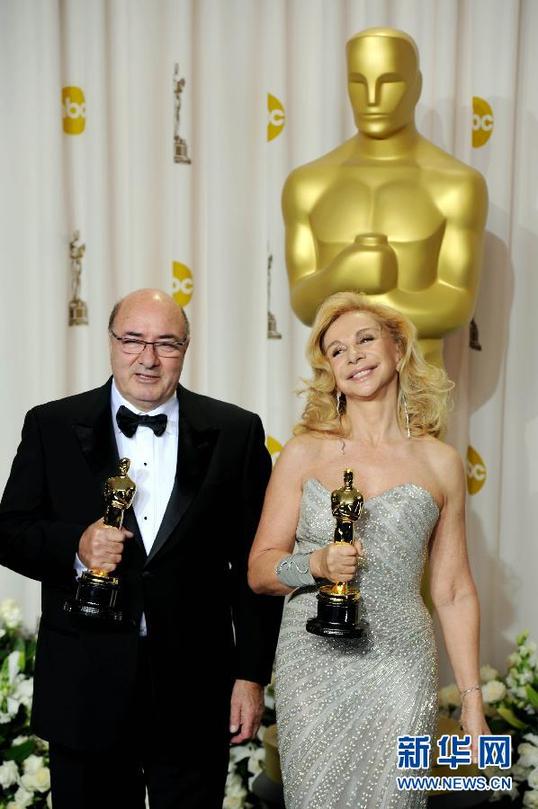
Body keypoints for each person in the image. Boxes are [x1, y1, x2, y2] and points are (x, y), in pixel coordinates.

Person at [0, 289, 282, 809]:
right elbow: (9, 530)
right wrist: (77, 546)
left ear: (185, 348)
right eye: (133, 340)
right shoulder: (51, 424)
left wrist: (250, 675)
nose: (148, 358)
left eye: (166, 343)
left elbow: (255, 564)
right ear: (111, 342)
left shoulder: (236, 432)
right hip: (86, 685)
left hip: (194, 689)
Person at [248, 291, 488, 808]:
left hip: (402, 665)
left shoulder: (442, 462)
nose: (353, 355)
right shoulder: (303, 454)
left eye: (364, 339)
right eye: (337, 350)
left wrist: (472, 701)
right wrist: (314, 564)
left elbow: (452, 591)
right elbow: (260, 570)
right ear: (330, 372)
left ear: (398, 349)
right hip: (313, 662)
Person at [282, 27, 488, 366]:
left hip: (419, 388)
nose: (372, 99)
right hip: (335, 390)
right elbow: (303, 304)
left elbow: (456, 305)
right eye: (358, 83)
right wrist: (342, 274)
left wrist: (363, 300)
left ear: (416, 86)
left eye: (389, 82)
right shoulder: (307, 184)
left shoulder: (458, 184)